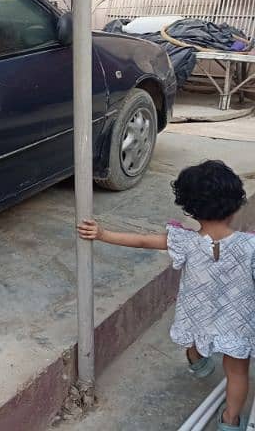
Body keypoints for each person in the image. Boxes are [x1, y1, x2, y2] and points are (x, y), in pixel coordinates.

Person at [78, 160, 254, 431]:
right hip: (237, 321)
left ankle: (198, 364)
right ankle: (231, 421)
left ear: (190, 208)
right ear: (235, 204)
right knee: (238, 372)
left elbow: (142, 241)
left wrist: (102, 233)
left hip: (197, 314)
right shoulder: (250, 246)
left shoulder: (183, 241)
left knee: (194, 339)